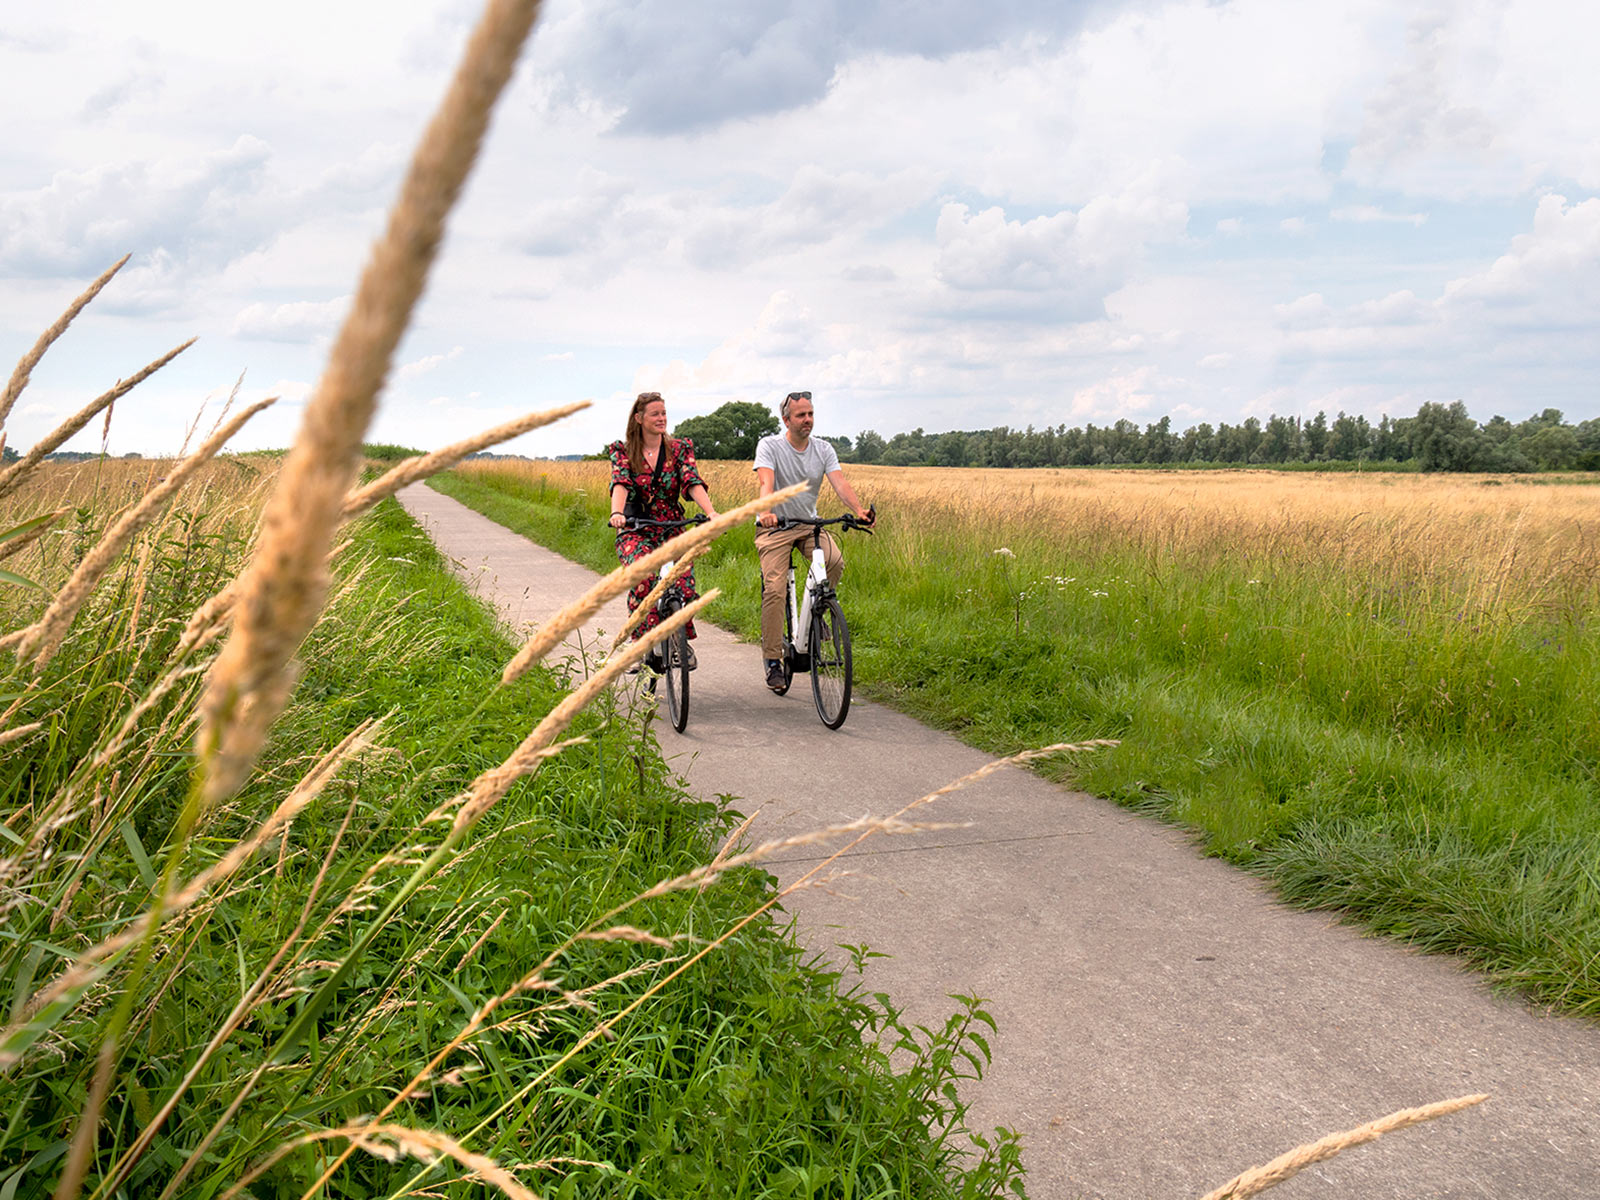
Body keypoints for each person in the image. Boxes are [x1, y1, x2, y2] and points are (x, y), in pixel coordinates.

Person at [753, 390, 874, 692]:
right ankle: (772, 661)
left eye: (810, 414)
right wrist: (765, 510)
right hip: (775, 528)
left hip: (809, 524)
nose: (807, 420)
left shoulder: (823, 449)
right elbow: (765, 481)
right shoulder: (770, 446)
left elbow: (839, 482)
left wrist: (857, 510)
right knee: (775, 589)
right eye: (800, 415)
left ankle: (817, 611)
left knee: (833, 561)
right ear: (786, 420)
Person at [607, 392, 718, 667]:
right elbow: (620, 482)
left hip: (671, 525)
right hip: (637, 527)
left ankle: (681, 642)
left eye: (664, 413)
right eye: (655, 414)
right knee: (644, 575)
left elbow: (691, 481)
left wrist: (711, 512)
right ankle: (642, 644)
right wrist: (617, 513)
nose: (661, 419)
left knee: (682, 582)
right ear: (639, 418)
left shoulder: (680, 449)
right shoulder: (623, 451)